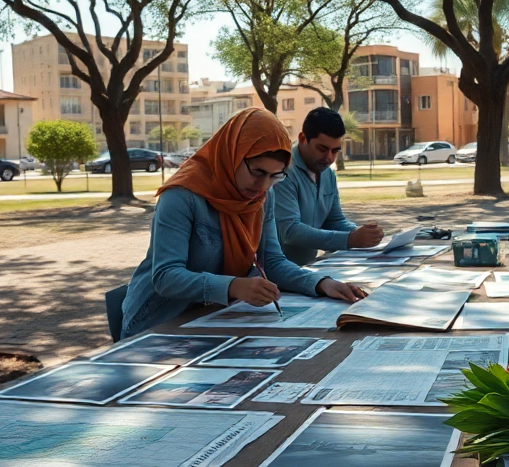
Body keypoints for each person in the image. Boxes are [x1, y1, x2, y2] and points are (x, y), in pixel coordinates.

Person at [120, 108, 365, 338]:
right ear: (233, 154)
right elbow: (166, 276)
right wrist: (233, 286)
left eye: (275, 176)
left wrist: (321, 283)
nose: (263, 186)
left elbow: (271, 261)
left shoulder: (262, 197)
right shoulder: (181, 195)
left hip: (215, 318)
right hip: (159, 324)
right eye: (258, 172)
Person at [273, 107, 383, 265]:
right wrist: (350, 239)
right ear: (303, 139)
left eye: (335, 151)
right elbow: (290, 231)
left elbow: (334, 221)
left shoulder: (327, 173)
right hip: (276, 276)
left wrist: (359, 232)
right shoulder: (282, 172)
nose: (329, 158)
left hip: (308, 270)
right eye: (322, 149)